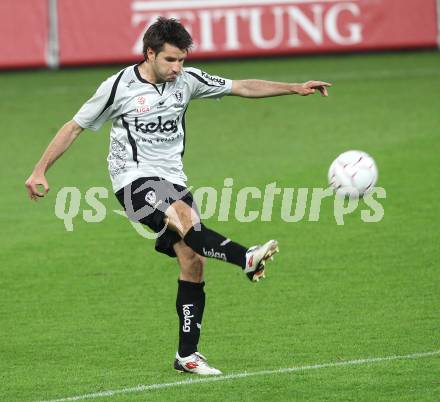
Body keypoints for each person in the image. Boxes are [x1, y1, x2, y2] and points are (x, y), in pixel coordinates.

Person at [25, 17, 331, 375]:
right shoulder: (118, 86)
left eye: (182, 60)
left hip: (174, 180)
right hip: (133, 181)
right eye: (170, 60)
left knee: (193, 258)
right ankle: (246, 257)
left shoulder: (187, 81)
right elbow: (74, 127)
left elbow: (242, 87)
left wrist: (294, 87)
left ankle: (187, 355)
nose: (177, 68)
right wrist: (40, 169)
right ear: (149, 53)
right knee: (186, 222)